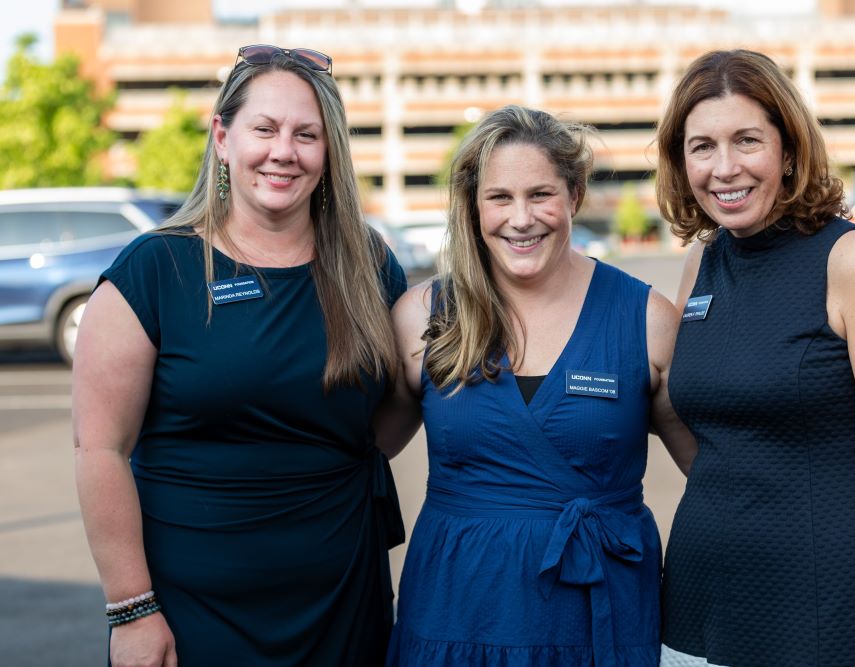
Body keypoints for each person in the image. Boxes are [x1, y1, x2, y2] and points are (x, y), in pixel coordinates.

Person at [73, 44, 407, 667]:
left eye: (308, 134)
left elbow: (394, 410)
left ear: (330, 152)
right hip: (190, 610)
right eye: (266, 128)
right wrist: (131, 611)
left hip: (343, 602)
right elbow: (99, 451)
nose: (285, 151)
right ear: (223, 137)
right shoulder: (154, 270)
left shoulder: (368, 264)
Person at [374, 104, 696, 667]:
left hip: (600, 616)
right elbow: (353, 456)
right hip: (455, 613)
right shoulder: (424, 317)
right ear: (473, 208)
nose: (521, 219)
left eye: (540, 194)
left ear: (574, 195)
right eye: (499, 197)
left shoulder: (644, 319)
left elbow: (716, 475)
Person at [655, 49, 855, 667]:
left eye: (746, 140)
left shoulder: (854, 262)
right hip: (699, 602)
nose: (724, 168)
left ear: (789, 149)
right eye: (702, 147)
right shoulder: (700, 264)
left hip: (825, 610)